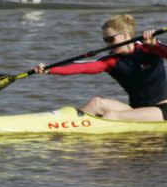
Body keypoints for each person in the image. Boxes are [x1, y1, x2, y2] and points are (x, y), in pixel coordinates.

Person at [34, 14, 167, 121]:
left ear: (126, 35)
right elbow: (81, 67)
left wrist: (155, 45)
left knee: (111, 116)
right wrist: (50, 69)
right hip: (137, 109)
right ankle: (65, 126)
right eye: (105, 40)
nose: (108, 44)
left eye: (111, 39)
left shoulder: (149, 48)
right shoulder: (111, 61)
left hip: (163, 109)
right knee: (96, 103)